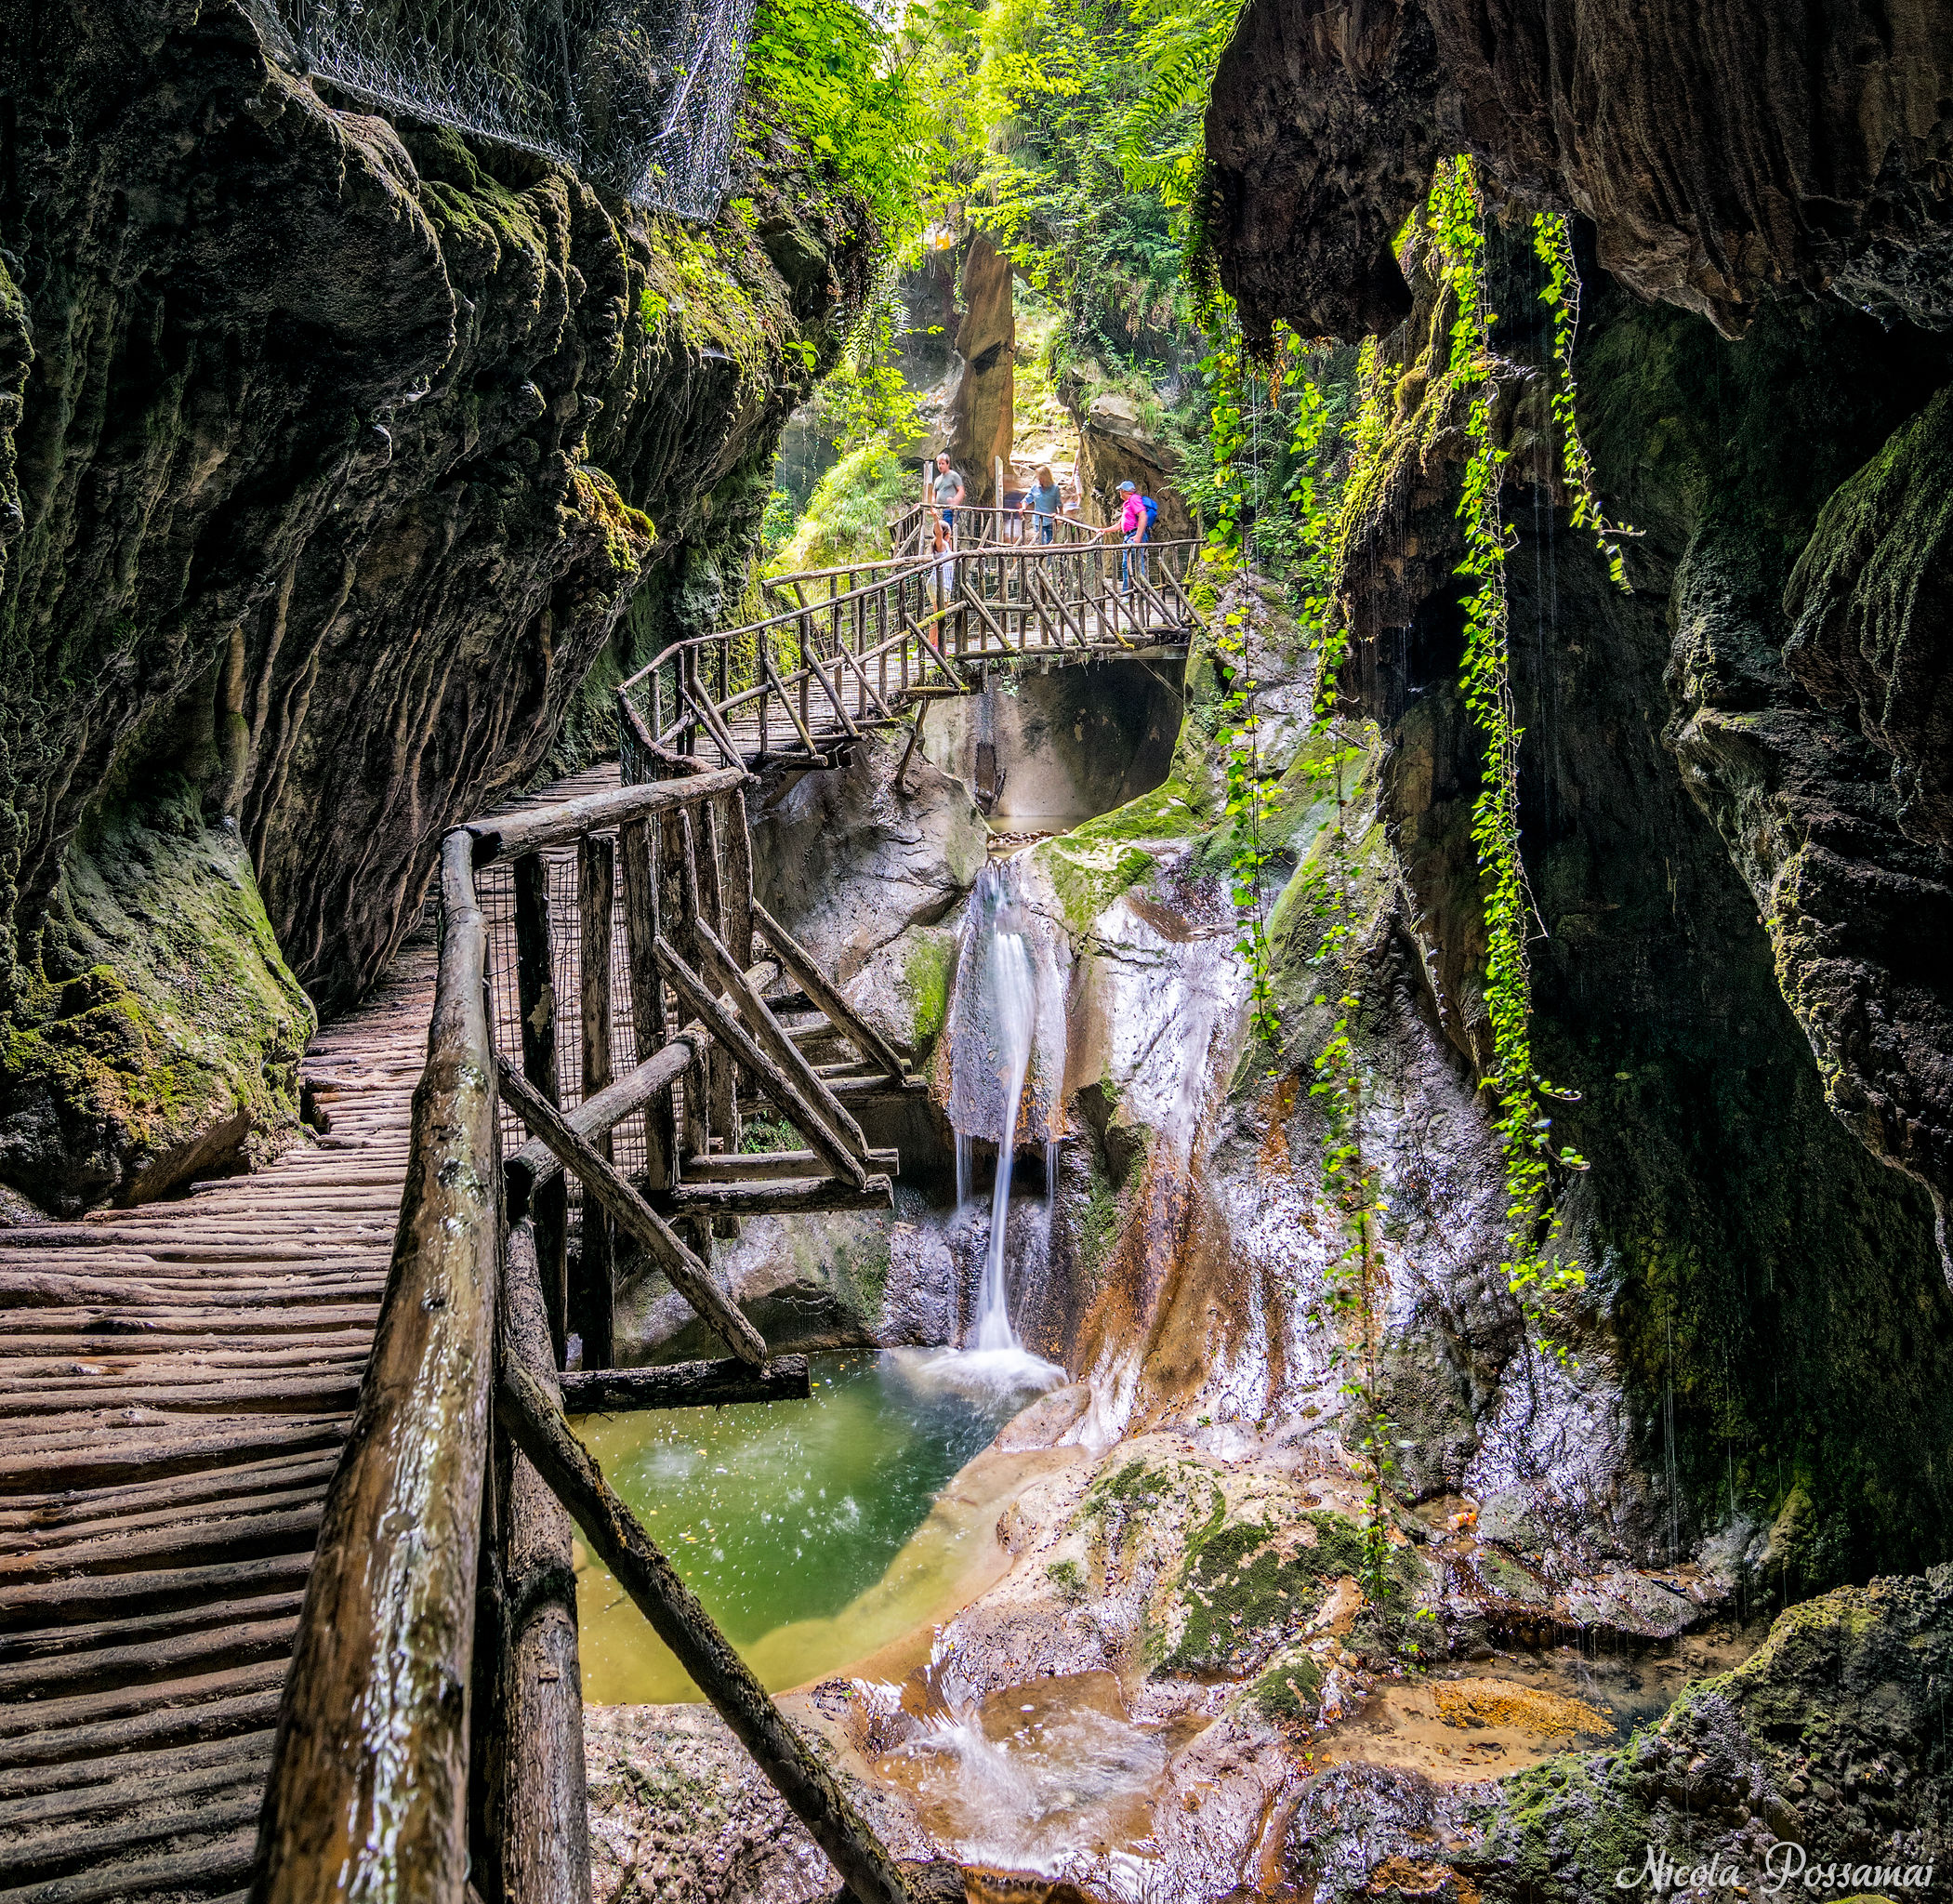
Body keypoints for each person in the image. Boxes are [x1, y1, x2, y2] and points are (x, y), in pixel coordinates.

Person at [1115, 478, 1154, 589]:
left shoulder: (1134, 499)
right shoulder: (1127, 503)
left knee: (1135, 563)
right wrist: (1103, 530)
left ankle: (1139, 591)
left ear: (1124, 491)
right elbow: (1120, 524)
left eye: (1120, 491)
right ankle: (1128, 591)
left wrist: (1138, 536)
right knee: (1126, 564)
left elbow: (1143, 516)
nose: (1119, 493)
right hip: (1129, 535)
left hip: (1134, 535)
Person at [1019, 464, 1063, 544]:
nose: (1039, 480)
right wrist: (1023, 508)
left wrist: (1059, 516)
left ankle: (1050, 557)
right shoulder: (1035, 488)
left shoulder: (1055, 488)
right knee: (1039, 541)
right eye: (1038, 478)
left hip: (1051, 520)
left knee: (1051, 543)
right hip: (1038, 520)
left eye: (1041, 478)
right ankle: (1040, 556)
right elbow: (1026, 499)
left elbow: (1059, 505)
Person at [930, 452, 966, 554]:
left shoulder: (953, 476)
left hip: (949, 510)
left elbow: (961, 490)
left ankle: (948, 553)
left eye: (942, 463)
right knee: (938, 530)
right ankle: (941, 551)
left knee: (946, 531)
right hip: (939, 510)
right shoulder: (937, 480)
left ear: (947, 464)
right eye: (939, 463)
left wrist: (954, 502)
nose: (940, 466)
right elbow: (934, 494)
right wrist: (933, 506)